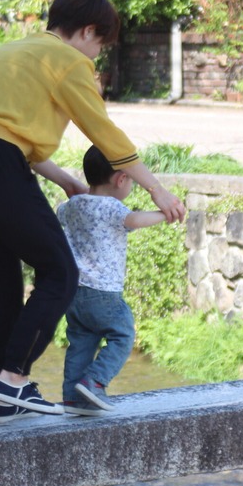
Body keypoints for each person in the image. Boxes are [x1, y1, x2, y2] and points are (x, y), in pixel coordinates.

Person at [0, 0, 186, 424]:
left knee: (0, 283)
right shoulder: (71, 60)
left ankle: (3, 393)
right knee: (60, 271)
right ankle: (13, 379)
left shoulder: (17, 51)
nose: (97, 55)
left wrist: (68, 180)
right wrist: (157, 191)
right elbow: (103, 133)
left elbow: (4, 132)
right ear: (89, 31)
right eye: (100, 44)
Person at [57, 146, 168, 417]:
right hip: (103, 292)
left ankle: (73, 399)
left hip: (73, 291)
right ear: (121, 179)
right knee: (123, 333)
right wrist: (166, 214)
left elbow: (58, 219)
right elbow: (136, 220)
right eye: (130, 179)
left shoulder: (70, 206)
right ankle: (94, 382)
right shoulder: (112, 208)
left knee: (81, 341)